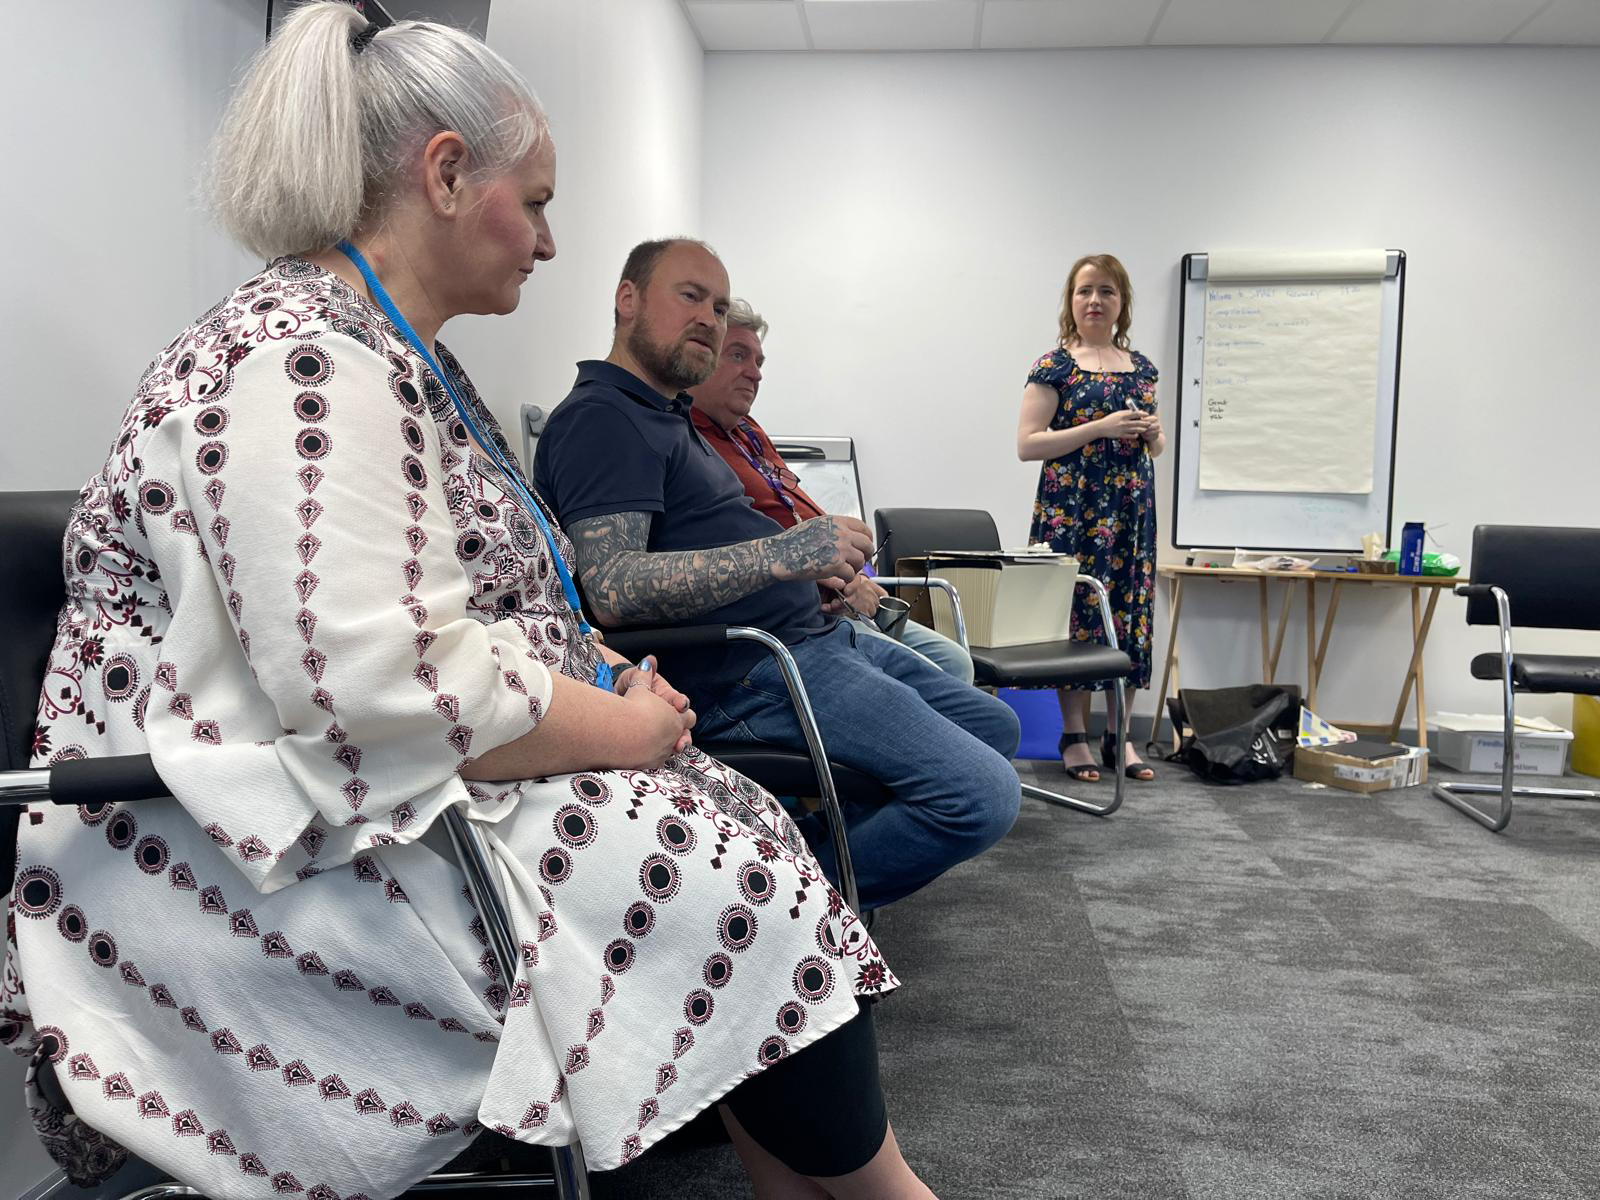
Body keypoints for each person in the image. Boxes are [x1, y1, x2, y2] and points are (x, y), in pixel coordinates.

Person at [0, 9, 933, 1198]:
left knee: (735, 832)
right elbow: (384, 695)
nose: (548, 243)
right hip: (256, 850)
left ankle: (813, 1181)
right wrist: (627, 725)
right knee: (731, 863)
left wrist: (601, 677)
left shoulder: (376, 351)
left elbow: (462, 608)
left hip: (359, 786)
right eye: (533, 201)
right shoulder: (297, 362)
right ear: (445, 174)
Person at [532, 238, 1021, 917]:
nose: (709, 316)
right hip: (753, 668)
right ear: (627, 300)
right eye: (690, 295)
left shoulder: (668, 417)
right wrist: (786, 555)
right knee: (983, 794)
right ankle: (775, 908)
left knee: (995, 728)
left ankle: (794, 859)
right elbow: (612, 589)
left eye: (720, 303)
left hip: (812, 638)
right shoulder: (602, 419)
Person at [687, 298, 975, 685]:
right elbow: (743, 548)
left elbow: (799, 512)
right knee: (954, 680)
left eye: (759, 362)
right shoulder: (691, 445)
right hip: (800, 619)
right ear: (703, 359)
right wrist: (838, 589)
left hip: (845, 597)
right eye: (738, 355)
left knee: (955, 661)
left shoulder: (748, 432)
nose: (754, 374)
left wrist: (862, 576)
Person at [1016, 254, 1163, 783]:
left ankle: (1118, 736)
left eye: (1106, 291)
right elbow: (1028, 445)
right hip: (1072, 511)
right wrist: (1099, 427)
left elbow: (1159, 443)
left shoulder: (1142, 368)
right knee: (1076, 617)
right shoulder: (1054, 365)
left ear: (1122, 303)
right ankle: (1073, 734)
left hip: (1130, 514)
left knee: (1128, 615)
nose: (1095, 301)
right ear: (1071, 301)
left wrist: (1150, 434)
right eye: (1084, 292)